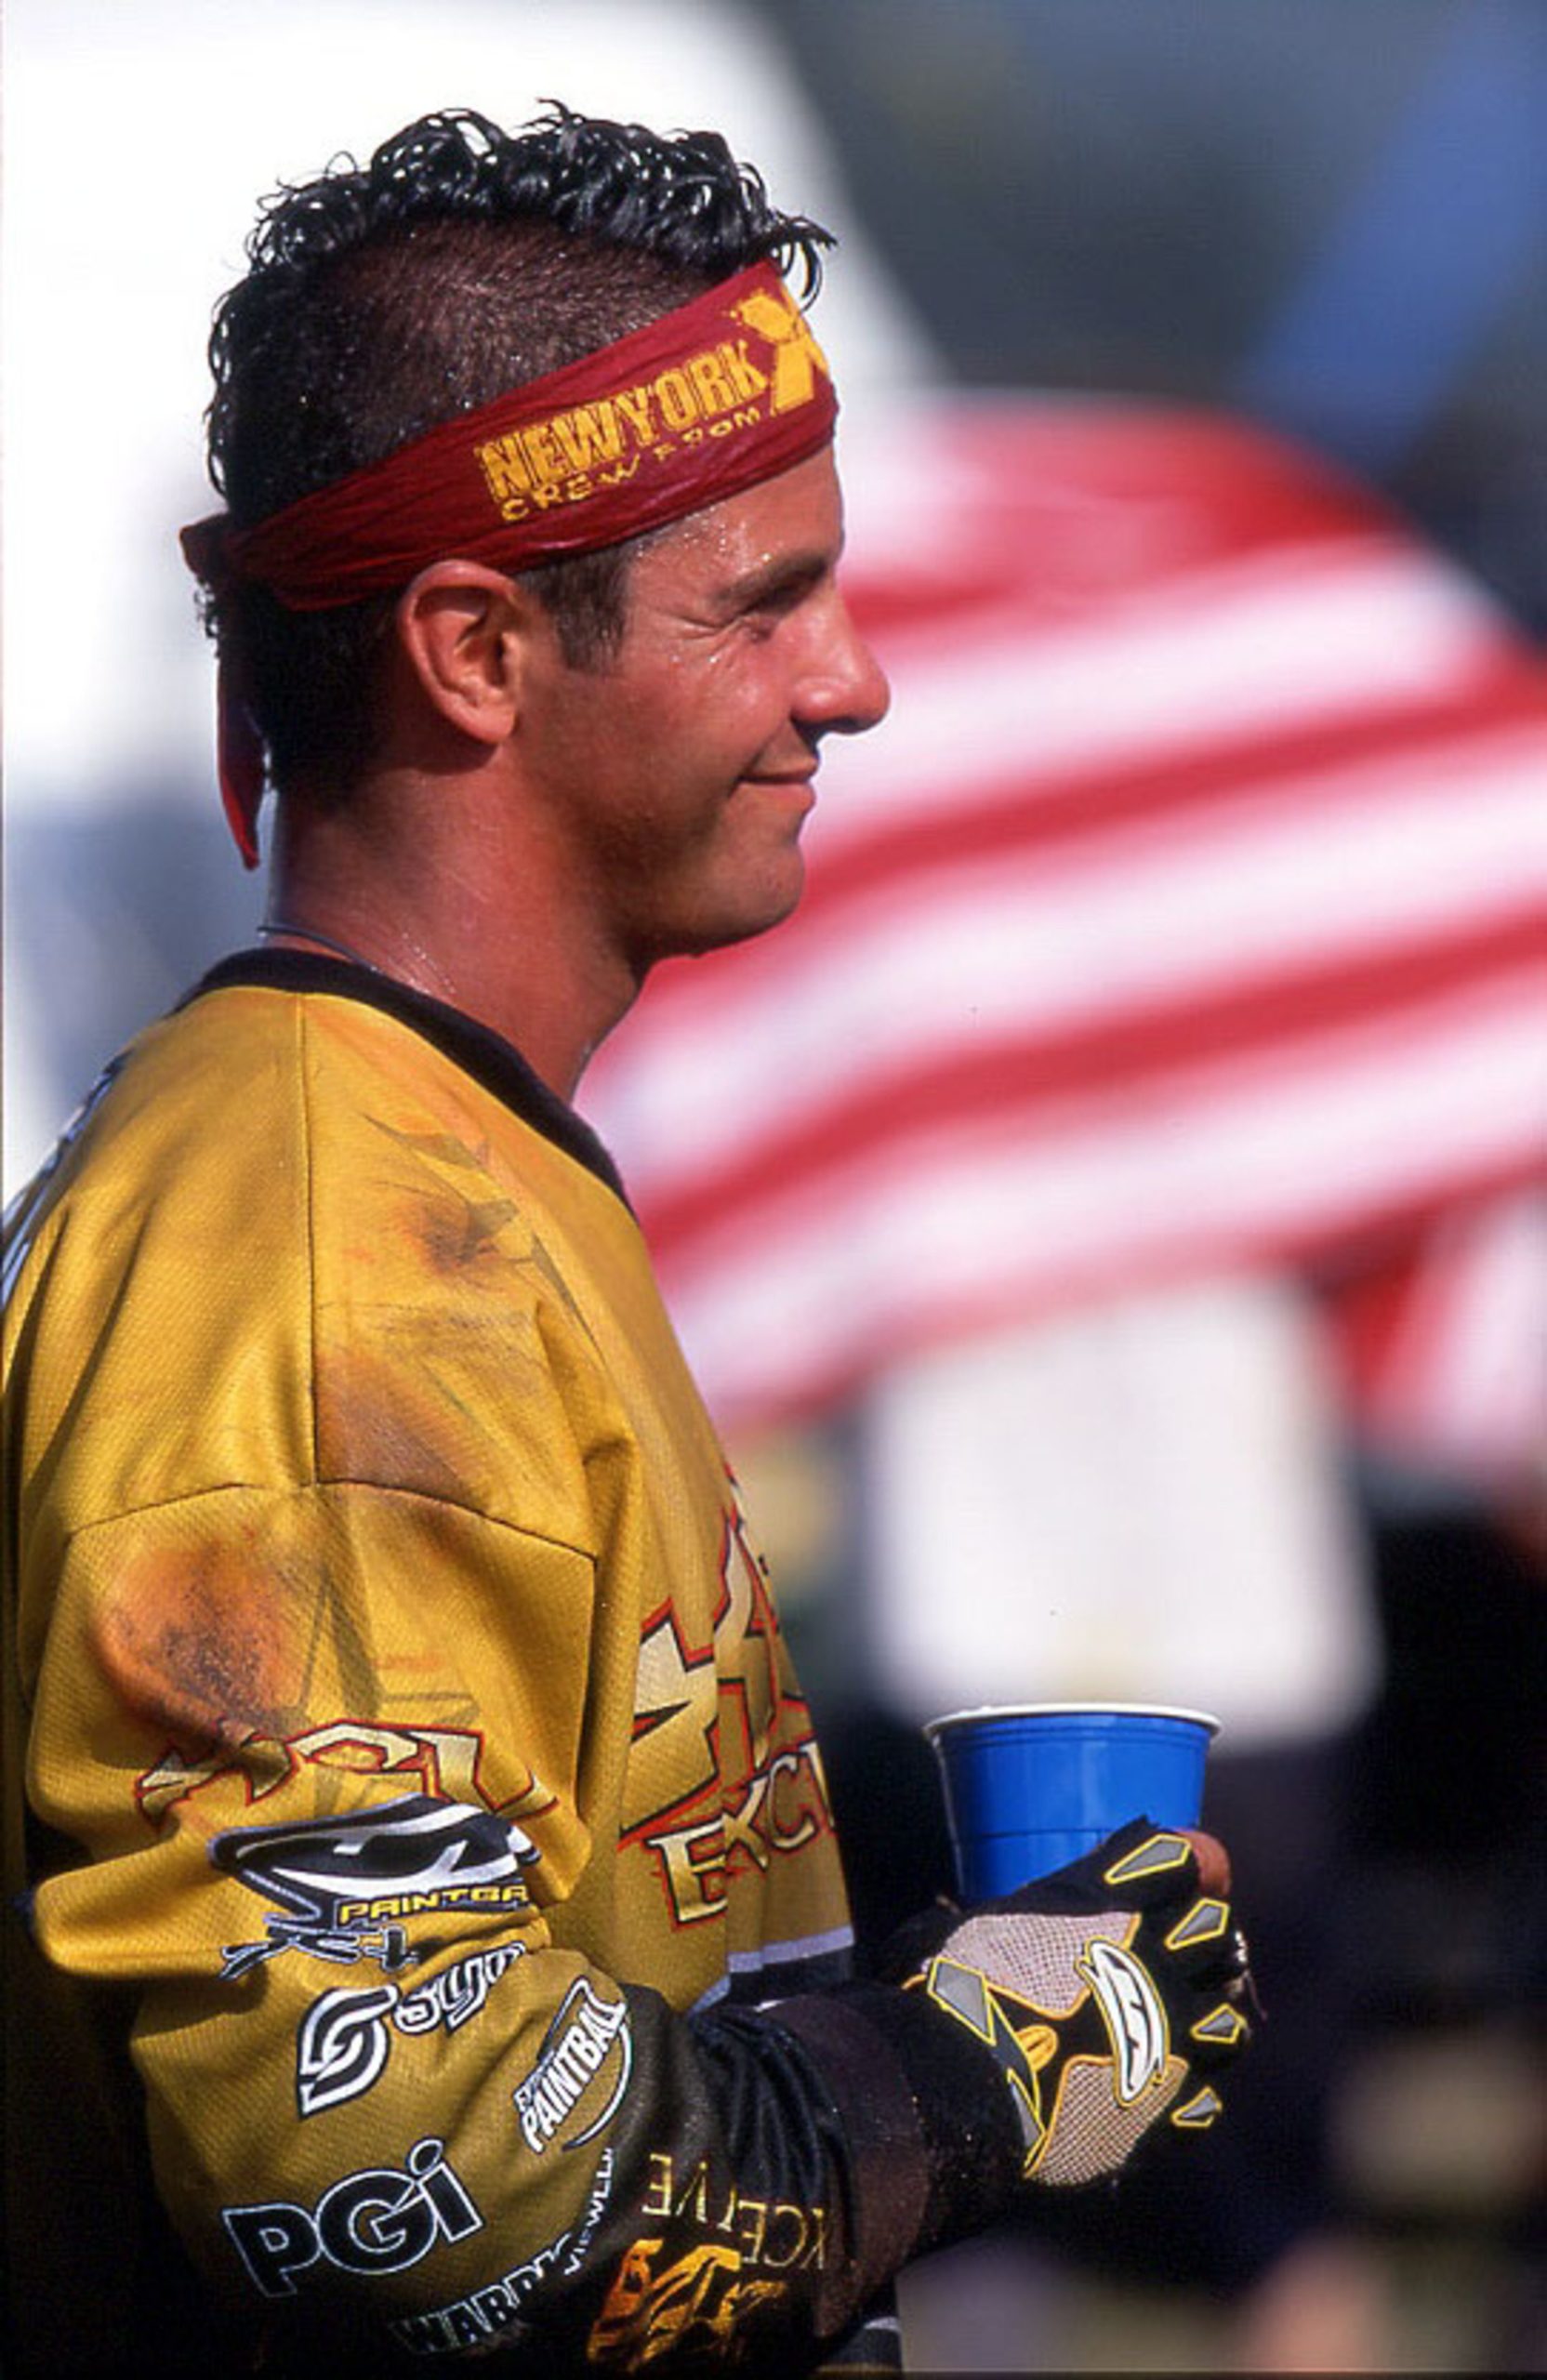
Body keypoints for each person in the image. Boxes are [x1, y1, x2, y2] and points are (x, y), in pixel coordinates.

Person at [1, 105, 1253, 2378]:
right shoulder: (321, 1254)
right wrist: (976, 2067)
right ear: (474, 649)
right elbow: (396, 2175)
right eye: (763, 600)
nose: (851, 679)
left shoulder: (449, 1163)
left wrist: (970, 1998)